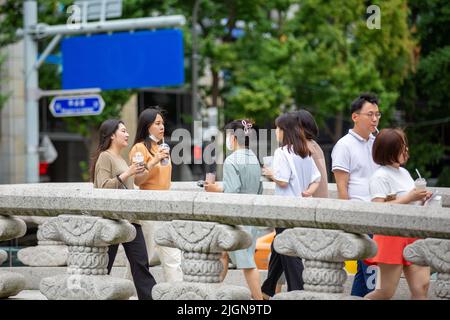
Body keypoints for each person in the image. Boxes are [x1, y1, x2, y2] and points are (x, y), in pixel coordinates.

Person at [90, 119, 156, 300]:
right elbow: (102, 187)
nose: (127, 134)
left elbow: (129, 184)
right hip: (112, 221)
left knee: (141, 264)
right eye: (123, 131)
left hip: (131, 220)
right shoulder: (105, 157)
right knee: (103, 267)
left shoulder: (121, 158)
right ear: (112, 135)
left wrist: (138, 171)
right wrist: (128, 173)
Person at [364, 128, 431, 300]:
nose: (406, 150)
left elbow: (410, 201)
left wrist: (422, 199)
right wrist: (410, 197)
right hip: (390, 238)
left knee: (421, 288)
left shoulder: (404, 172)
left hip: (414, 233)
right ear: (389, 150)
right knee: (385, 292)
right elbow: (378, 208)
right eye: (401, 147)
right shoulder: (380, 176)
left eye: (405, 146)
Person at [261, 112, 321, 298]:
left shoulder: (282, 152)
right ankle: (267, 289)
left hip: (285, 210)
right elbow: (316, 179)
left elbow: (283, 181)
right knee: (279, 247)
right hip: (302, 209)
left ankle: (298, 291)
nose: (276, 132)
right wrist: (308, 192)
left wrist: (270, 173)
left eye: (278, 129)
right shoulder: (304, 152)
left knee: (288, 250)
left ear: (285, 131)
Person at [204, 119, 264, 300]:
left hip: (237, 219)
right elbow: (256, 189)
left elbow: (232, 192)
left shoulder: (231, 161)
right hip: (251, 216)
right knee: (223, 254)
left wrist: (215, 189)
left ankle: (259, 301)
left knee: (248, 263)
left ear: (234, 138)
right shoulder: (254, 158)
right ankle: (212, 294)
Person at [331, 92, 381, 297]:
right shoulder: (344, 145)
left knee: (365, 272)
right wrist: (348, 220)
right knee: (370, 271)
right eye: (370, 114)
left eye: (378, 114)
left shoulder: (376, 142)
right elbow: (342, 186)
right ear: (355, 116)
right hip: (359, 218)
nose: (375, 119)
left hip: (378, 215)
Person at [128, 107, 183, 283]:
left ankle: (179, 295)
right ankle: (128, 291)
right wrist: (154, 161)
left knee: (173, 256)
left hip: (165, 207)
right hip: (148, 209)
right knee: (143, 259)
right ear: (147, 126)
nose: (162, 127)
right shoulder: (139, 148)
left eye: (163, 124)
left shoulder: (162, 147)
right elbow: (138, 180)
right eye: (157, 124)